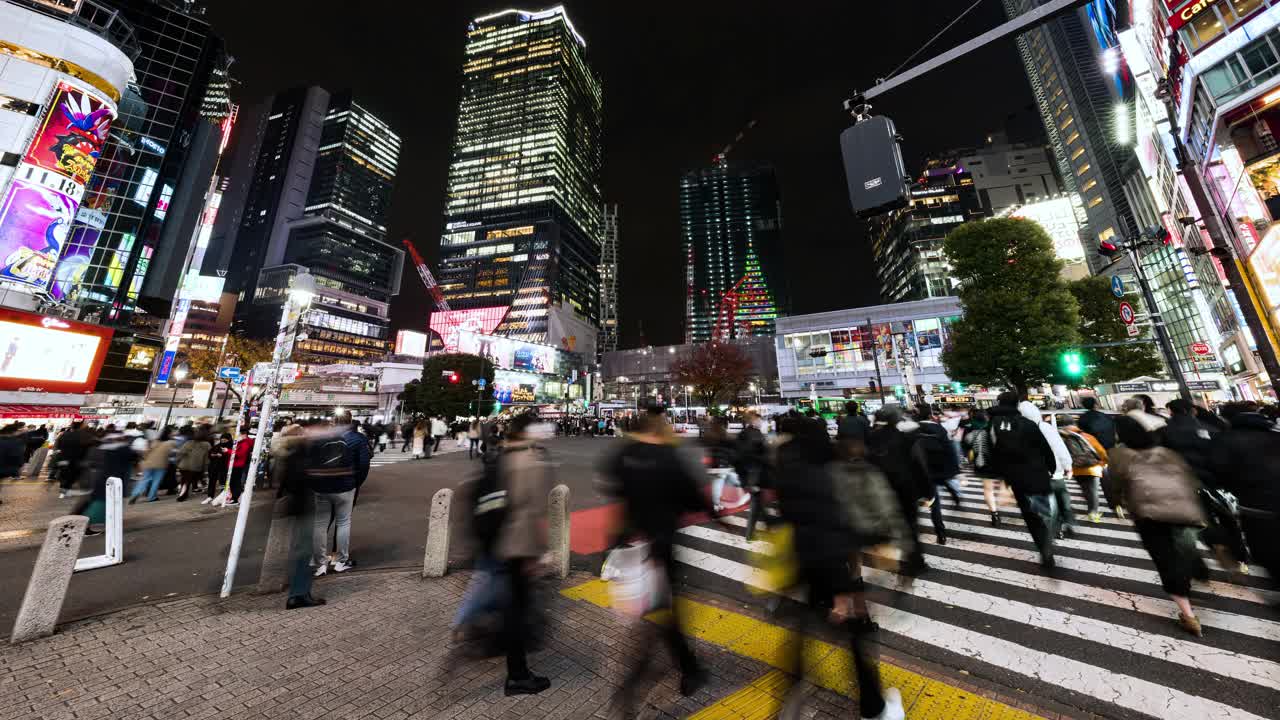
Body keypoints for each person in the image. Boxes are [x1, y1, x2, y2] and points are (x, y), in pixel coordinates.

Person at [773, 414, 905, 720]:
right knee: (856, 636)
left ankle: (790, 700)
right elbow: (827, 528)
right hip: (829, 568)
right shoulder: (822, 474)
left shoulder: (787, 469)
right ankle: (874, 708)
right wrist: (843, 589)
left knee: (803, 633)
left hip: (802, 562)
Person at [597, 403, 721, 712]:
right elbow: (695, 498)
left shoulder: (622, 455)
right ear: (659, 425)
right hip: (660, 544)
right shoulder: (670, 458)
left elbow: (616, 497)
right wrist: (717, 515)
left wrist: (615, 538)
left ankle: (678, 669)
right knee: (661, 612)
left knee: (653, 611)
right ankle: (653, 677)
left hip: (630, 544)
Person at [1111, 413, 1206, 636]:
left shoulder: (1118, 454)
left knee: (1165, 559)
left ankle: (1189, 615)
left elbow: (1115, 484)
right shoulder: (1167, 451)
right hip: (1184, 509)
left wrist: (1116, 503)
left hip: (1148, 514)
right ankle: (1194, 567)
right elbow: (1190, 478)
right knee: (1185, 546)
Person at [492, 414, 553, 696]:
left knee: (509, 602)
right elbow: (536, 509)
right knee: (518, 609)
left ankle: (508, 656)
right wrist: (539, 551)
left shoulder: (502, 454)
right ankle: (517, 674)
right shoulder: (531, 460)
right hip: (520, 544)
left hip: (498, 540)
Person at [1210, 403, 1280, 591]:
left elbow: (1218, 472)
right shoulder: (1274, 434)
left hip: (1256, 507)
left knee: (1267, 551)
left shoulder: (1225, 440)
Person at [986, 393, 1059, 570]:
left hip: (1016, 477)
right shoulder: (1029, 424)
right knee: (1043, 512)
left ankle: (1043, 549)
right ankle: (1048, 543)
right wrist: (1051, 468)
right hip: (1038, 474)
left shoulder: (993, 425)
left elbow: (993, 453)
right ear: (1017, 405)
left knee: (1030, 515)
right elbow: (1045, 448)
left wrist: (1002, 476)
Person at [866, 405, 929, 574]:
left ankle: (891, 558)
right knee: (911, 525)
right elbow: (919, 464)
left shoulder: (871, 438)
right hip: (906, 487)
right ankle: (916, 561)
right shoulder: (906, 437)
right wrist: (927, 490)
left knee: (887, 525)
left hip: (881, 489)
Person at [310, 414, 371, 576]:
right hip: (345, 486)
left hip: (322, 486)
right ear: (350, 421)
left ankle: (319, 563)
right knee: (343, 522)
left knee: (320, 524)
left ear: (333, 422)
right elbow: (364, 464)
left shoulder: (323, 436)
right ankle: (340, 560)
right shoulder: (358, 438)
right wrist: (355, 482)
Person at [281, 423, 324, 610]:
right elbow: (307, 478)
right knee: (304, 551)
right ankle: (298, 594)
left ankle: (299, 592)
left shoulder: (288, 453)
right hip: (303, 505)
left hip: (294, 504)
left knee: (301, 550)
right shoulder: (301, 455)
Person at [1020, 402, 1074, 539]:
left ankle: (1056, 530)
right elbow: (1059, 448)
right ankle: (1067, 524)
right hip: (1054, 472)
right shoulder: (1044, 427)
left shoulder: (1021, 430)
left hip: (1036, 475)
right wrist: (1068, 466)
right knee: (1062, 499)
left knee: (1049, 505)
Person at [74, 426, 137, 536]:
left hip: (102, 480)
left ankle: (83, 524)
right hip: (111, 482)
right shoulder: (122, 449)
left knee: (97, 503)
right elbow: (133, 456)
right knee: (99, 506)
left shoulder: (104, 447)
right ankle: (82, 527)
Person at [912, 405, 961, 546]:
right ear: (930, 416)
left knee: (934, 503)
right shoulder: (939, 428)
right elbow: (949, 449)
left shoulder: (914, 430)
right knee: (944, 483)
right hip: (940, 468)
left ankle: (941, 534)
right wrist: (954, 469)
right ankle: (956, 497)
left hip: (924, 471)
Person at [1057, 416, 1108, 524]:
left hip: (1077, 469)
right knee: (1093, 491)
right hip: (1092, 468)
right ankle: (1093, 513)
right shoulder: (1086, 436)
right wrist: (1104, 462)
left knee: (1086, 489)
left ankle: (1090, 508)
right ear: (1074, 424)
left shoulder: (1061, 438)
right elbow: (1101, 451)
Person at [962, 409, 1005, 525]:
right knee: (1006, 484)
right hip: (998, 462)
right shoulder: (993, 426)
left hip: (981, 464)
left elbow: (965, 445)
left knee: (988, 489)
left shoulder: (969, 429)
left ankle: (994, 515)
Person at [735, 410, 771, 540]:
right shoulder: (754, 435)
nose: (760, 421)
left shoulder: (745, 434)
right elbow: (760, 455)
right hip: (755, 475)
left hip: (750, 475)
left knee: (758, 502)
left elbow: (738, 458)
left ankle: (768, 526)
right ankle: (750, 534)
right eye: (758, 419)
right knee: (756, 503)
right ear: (752, 420)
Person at [703, 416, 748, 513]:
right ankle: (717, 504)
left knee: (719, 483)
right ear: (724, 425)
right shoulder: (726, 436)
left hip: (714, 465)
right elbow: (733, 451)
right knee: (731, 480)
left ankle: (717, 504)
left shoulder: (710, 435)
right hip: (724, 465)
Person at [130, 428, 175, 504]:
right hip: (161, 464)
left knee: (144, 479)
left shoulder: (154, 442)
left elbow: (145, 452)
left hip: (148, 463)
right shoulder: (170, 443)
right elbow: (172, 454)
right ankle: (152, 497)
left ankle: (135, 494)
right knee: (156, 481)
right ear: (169, 434)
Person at [55, 422, 96, 499]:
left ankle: (63, 488)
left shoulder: (64, 435)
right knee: (72, 474)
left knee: (64, 473)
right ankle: (66, 489)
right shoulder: (84, 436)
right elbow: (88, 447)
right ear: (80, 427)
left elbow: (59, 445)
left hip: (63, 457)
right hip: (75, 459)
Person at [174, 426, 211, 502]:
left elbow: (181, 453)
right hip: (196, 467)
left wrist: (177, 462)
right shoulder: (207, 445)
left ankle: (183, 494)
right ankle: (183, 495)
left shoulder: (188, 443)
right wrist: (205, 468)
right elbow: (207, 458)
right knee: (188, 481)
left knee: (185, 481)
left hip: (184, 465)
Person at [228, 428, 255, 506]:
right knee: (234, 481)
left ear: (244, 435)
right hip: (237, 464)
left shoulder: (245, 443)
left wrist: (228, 451)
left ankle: (235, 498)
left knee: (236, 481)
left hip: (239, 465)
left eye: (239, 434)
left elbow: (239, 454)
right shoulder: (241, 442)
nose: (237, 436)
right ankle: (234, 497)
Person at [204, 433, 232, 504]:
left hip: (224, 468)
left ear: (228, 439)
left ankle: (223, 497)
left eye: (225, 439)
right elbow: (209, 454)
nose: (223, 440)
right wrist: (214, 455)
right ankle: (210, 496)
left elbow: (231, 457)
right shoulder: (216, 446)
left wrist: (223, 455)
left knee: (223, 483)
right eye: (222, 438)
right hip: (214, 467)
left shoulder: (231, 447)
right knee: (212, 482)